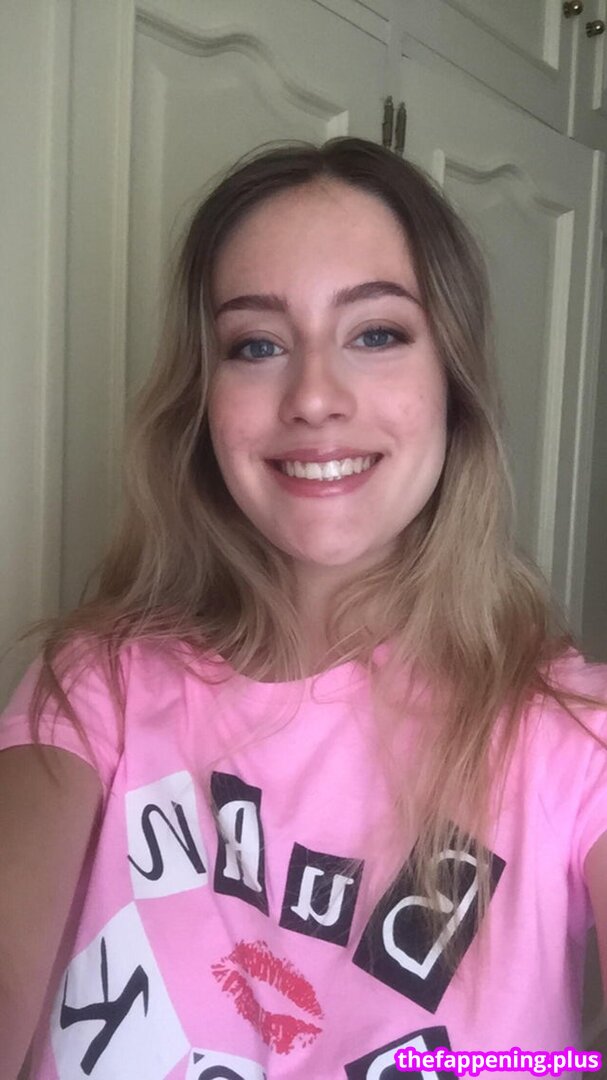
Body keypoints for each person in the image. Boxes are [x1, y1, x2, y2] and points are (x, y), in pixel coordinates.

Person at [0, 137, 606, 1080]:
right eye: (257, 345)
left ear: (452, 382)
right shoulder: (97, 686)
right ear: (205, 400)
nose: (314, 397)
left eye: (376, 334)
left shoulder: (572, 738)